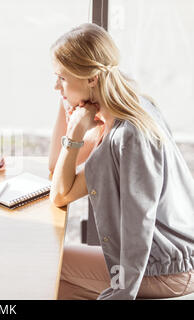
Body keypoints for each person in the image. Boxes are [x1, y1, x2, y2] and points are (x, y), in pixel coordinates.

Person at [48, 23, 194, 300]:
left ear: (91, 78)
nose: (55, 85)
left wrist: (122, 292)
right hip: (164, 259)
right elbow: (57, 169)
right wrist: (68, 105)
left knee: (53, 269)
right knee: (61, 283)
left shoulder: (128, 136)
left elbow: (138, 221)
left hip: (165, 268)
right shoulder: (122, 108)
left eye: (62, 78)